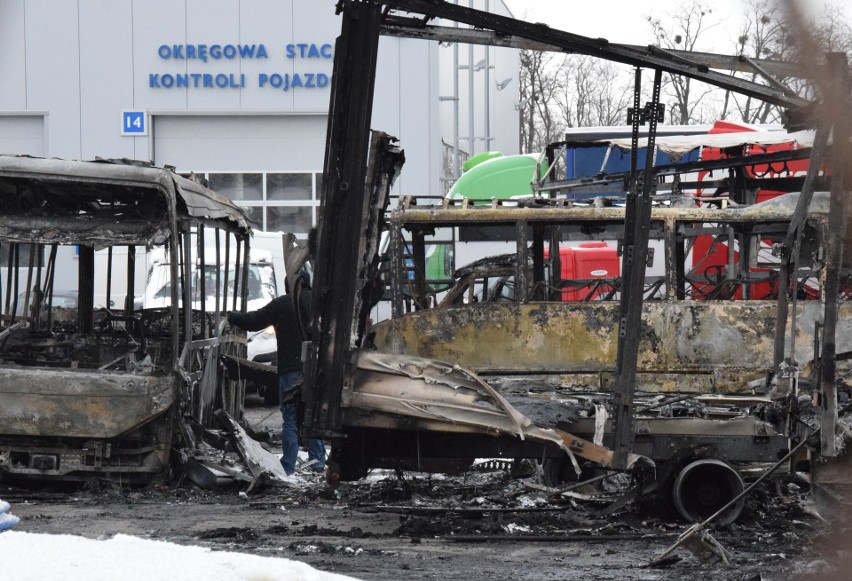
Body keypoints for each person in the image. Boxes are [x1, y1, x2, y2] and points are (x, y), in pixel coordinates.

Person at [227, 294, 326, 476]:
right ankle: (318, 462)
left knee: (290, 418)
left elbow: (254, 321)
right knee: (314, 416)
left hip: (290, 368)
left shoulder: (284, 303)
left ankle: (288, 466)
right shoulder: (318, 300)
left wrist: (232, 316)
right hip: (316, 368)